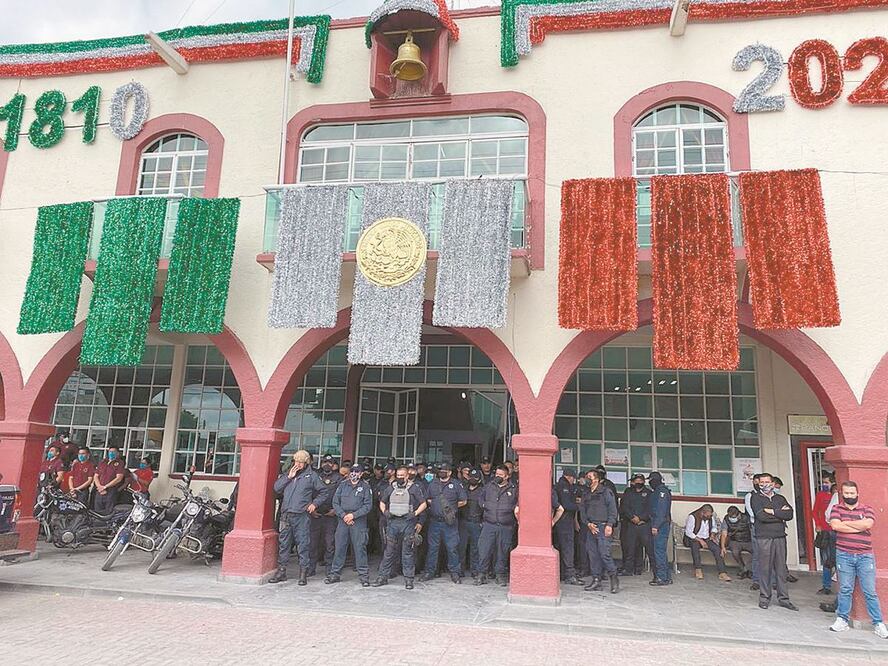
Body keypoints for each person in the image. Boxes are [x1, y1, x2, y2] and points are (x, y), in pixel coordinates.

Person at [828, 481, 888, 638]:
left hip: (865, 556)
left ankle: (878, 623)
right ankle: (842, 619)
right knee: (845, 589)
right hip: (844, 554)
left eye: (851, 493)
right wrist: (858, 526)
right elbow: (835, 526)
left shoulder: (866, 508)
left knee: (870, 591)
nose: (849, 496)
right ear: (842, 493)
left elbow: (868, 524)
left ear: (857, 493)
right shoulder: (836, 508)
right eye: (846, 493)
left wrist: (845, 524)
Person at [269, 450, 331, 586]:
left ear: (306, 462)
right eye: (296, 461)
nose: (297, 464)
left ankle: (303, 573)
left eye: (300, 462)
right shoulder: (289, 473)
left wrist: (314, 504)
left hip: (301, 515)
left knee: (303, 544)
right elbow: (276, 488)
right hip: (286, 514)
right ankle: (282, 571)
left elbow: (324, 491)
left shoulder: (312, 476)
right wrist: (289, 477)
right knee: (284, 544)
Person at [372, 465, 427, 589]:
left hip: (407, 522)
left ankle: (409, 579)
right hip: (392, 522)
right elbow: (381, 502)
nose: (400, 478)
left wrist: (415, 514)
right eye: (398, 476)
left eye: (402, 476)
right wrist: (385, 512)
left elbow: (423, 504)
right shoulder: (391, 487)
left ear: (407, 476)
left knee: (407, 552)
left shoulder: (414, 488)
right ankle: (382, 577)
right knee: (389, 552)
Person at [750, 472, 797, 611]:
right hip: (764, 537)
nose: (765, 484)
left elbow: (789, 514)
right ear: (758, 484)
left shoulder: (779, 498)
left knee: (781, 569)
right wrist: (779, 514)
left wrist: (772, 512)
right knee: (765, 568)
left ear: (773, 483)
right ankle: (765, 598)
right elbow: (761, 516)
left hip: (780, 536)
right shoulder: (756, 498)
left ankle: (784, 599)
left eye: (767, 482)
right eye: (762, 482)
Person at [419, 462, 467, 583]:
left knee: (452, 548)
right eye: (440, 469)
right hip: (435, 521)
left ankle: (455, 573)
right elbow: (428, 499)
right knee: (433, 548)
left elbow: (464, 501)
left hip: (449, 523)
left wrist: (450, 509)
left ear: (450, 472)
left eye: (444, 470)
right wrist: (436, 506)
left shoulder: (456, 484)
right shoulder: (433, 484)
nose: (441, 471)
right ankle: (430, 571)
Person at [326, 465, 372, 587]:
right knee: (339, 548)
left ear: (361, 474)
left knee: (359, 549)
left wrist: (353, 515)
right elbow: (335, 502)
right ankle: (335, 574)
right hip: (342, 521)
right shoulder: (342, 485)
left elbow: (368, 506)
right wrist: (344, 515)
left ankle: (364, 576)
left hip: (358, 522)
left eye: (357, 471)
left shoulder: (366, 487)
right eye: (352, 471)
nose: (354, 473)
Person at [475, 465, 518, 587]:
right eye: (497, 474)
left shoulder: (514, 489)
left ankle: (500, 575)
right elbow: (480, 498)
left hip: (506, 525)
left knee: (502, 552)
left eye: (500, 475)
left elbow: (518, 503)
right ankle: (482, 574)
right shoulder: (489, 486)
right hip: (489, 524)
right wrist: (485, 505)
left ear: (507, 476)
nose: (497, 476)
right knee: (484, 550)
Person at [579, 468, 619, 594]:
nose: (587, 479)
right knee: (593, 555)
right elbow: (582, 511)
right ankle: (596, 580)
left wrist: (610, 525)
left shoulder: (606, 492)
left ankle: (614, 578)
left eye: (589, 477)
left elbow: (613, 509)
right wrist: (588, 524)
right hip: (591, 528)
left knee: (604, 554)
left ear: (596, 479)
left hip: (603, 527)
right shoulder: (586, 493)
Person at [308, 454, 341, 578]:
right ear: (321, 464)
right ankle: (310, 568)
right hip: (315, 515)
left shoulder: (339, 478)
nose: (327, 464)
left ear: (333, 465)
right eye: (325, 462)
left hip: (331, 516)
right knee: (312, 543)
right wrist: (311, 509)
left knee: (330, 543)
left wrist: (335, 510)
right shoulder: (315, 476)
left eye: (330, 462)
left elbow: (342, 497)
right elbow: (308, 493)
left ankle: (329, 569)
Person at [684, 504, 731, 581]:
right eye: (707, 516)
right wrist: (700, 540)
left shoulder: (710, 517)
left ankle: (722, 572)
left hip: (706, 538)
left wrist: (712, 534)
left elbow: (714, 527)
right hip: (694, 538)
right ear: (702, 513)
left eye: (710, 516)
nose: (709, 517)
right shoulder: (692, 517)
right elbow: (688, 532)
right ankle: (698, 570)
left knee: (717, 550)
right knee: (695, 548)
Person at [553, 469, 584, 585]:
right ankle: (569, 574)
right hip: (564, 521)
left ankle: (562, 573)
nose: (573, 481)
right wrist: (580, 506)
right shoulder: (563, 487)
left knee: (562, 547)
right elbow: (566, 505)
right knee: (568, 548)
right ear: (569, 477)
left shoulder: (560, 486)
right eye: (573, 478)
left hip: (562, 521)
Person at [619, 473, 652, 577]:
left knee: (641, 547)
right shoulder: (628, 491)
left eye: (639, 481)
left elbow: (650, 509)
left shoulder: (649, 493)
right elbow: (624, 506)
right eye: (635, 481)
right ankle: (628, 569)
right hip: (631, 523)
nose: (637, 483)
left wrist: (641, 519)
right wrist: (632, 517)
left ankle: (638, 569)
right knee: (630, 547)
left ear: (643, 482)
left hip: (643, 524)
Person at [458, 468, 484, 580]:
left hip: (476, 522)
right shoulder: (463, 490)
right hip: (463, 522)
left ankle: (475, 571)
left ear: (479, 480)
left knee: (475, 548)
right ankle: (460, 570)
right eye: (471, 477)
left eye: (475, 478)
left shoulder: (483, 491)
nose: (473, 479)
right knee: (461, 547)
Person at [648, 471, 673, 586]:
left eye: (651, 480)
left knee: (659, 551)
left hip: (660, 525)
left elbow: (661, 511)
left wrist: (655, 526)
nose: (649, 483)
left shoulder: (661, 491)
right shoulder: (658, 491)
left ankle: (662, 578)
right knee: (661, 551)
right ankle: (666, 576)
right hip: (661, 524)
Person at [813, 478, 836, 595]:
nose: (824, 484)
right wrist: (818, 524)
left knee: (838, 559)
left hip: (837, 531)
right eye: (824, 482)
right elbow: (815, 511)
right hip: (825, 532)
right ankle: (826, 586)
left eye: (827, 482)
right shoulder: (820, 495)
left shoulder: (837, 495)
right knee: (826, 559)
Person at [720, 505, 754, 578]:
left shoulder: (747, 518)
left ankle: (749, 569)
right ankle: (743, 568)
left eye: (734, 517)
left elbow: (752, 531)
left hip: (748, 540)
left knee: (757, 551)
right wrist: (723, 547)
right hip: (735, 540)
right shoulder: (726, 519)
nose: (732, 519)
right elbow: (724, 533)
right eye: (731, 517)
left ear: (739, 514)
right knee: (735, 552)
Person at [93, 446, 126, 513]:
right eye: (110, 452)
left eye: (114, 452)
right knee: (97, 511)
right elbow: (96, 476)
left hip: (110, 491)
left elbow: (119, 478)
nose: (111, 453)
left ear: (118, 453)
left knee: (108, 512)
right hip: (99, 490)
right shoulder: (103, 462)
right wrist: (99, 487)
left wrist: (105, 487)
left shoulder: (120, 463)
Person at [745, 473, 763, 590]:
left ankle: (773, 580)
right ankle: (756, 580)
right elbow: (751, 512)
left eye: (759, 483)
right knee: (757, 554)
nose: (757, 485)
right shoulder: (750, 496)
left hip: (769, 527)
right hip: (756, 526)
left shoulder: (771, 495)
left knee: (770, 554)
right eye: (755, 483)